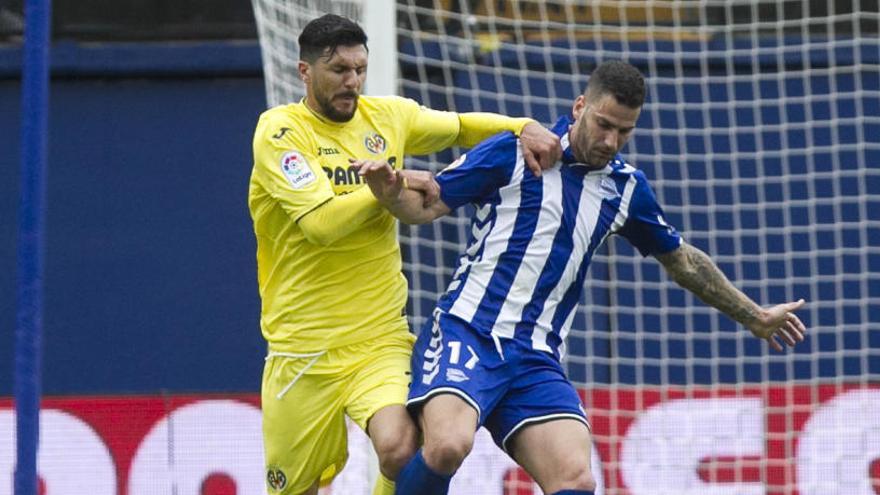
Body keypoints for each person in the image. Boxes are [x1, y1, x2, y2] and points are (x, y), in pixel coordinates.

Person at [353, 60, 808, 495]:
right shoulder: (515, 150)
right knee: (449, 444)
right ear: (579, 107)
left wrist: (754, 315)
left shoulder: (626, 188)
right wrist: (390, 193)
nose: (611, 141)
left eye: (624, 131)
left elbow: (682, 261)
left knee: (576, 479)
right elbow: (426, 206)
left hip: (534, 357)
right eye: (604, 124)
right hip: (469, 331)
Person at [248, 13, 562, 495]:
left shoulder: (387, 117)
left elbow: (460, 126)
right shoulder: (281, 133)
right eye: (338, 71)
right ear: (305, 72)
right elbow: (319, 225)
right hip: (301, 349)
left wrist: (521, 126)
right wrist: (382, 190)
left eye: (359, 69)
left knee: (401, 447)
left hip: (377, 338)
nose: (351, 82)